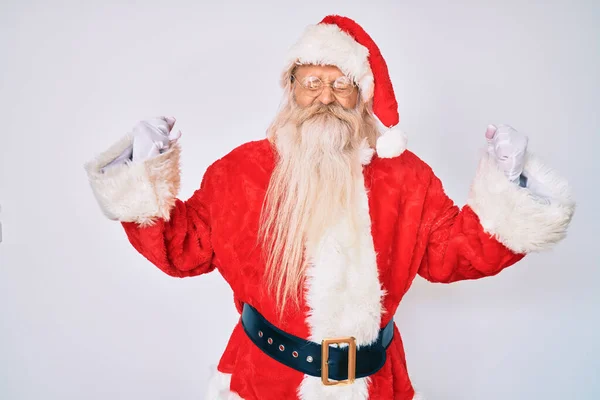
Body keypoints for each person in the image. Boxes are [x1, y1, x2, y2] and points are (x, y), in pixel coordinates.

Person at [84, 15, 575, 400]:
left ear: (361, 98)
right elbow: (182, 249)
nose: (324, 97)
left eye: (340, 84)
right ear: (291, 89)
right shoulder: (241, 172)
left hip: (375, 386)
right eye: (311, 82)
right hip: (264, 383)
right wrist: (143, 172)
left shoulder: (405, 178)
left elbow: (455, 254)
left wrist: (510, 184)